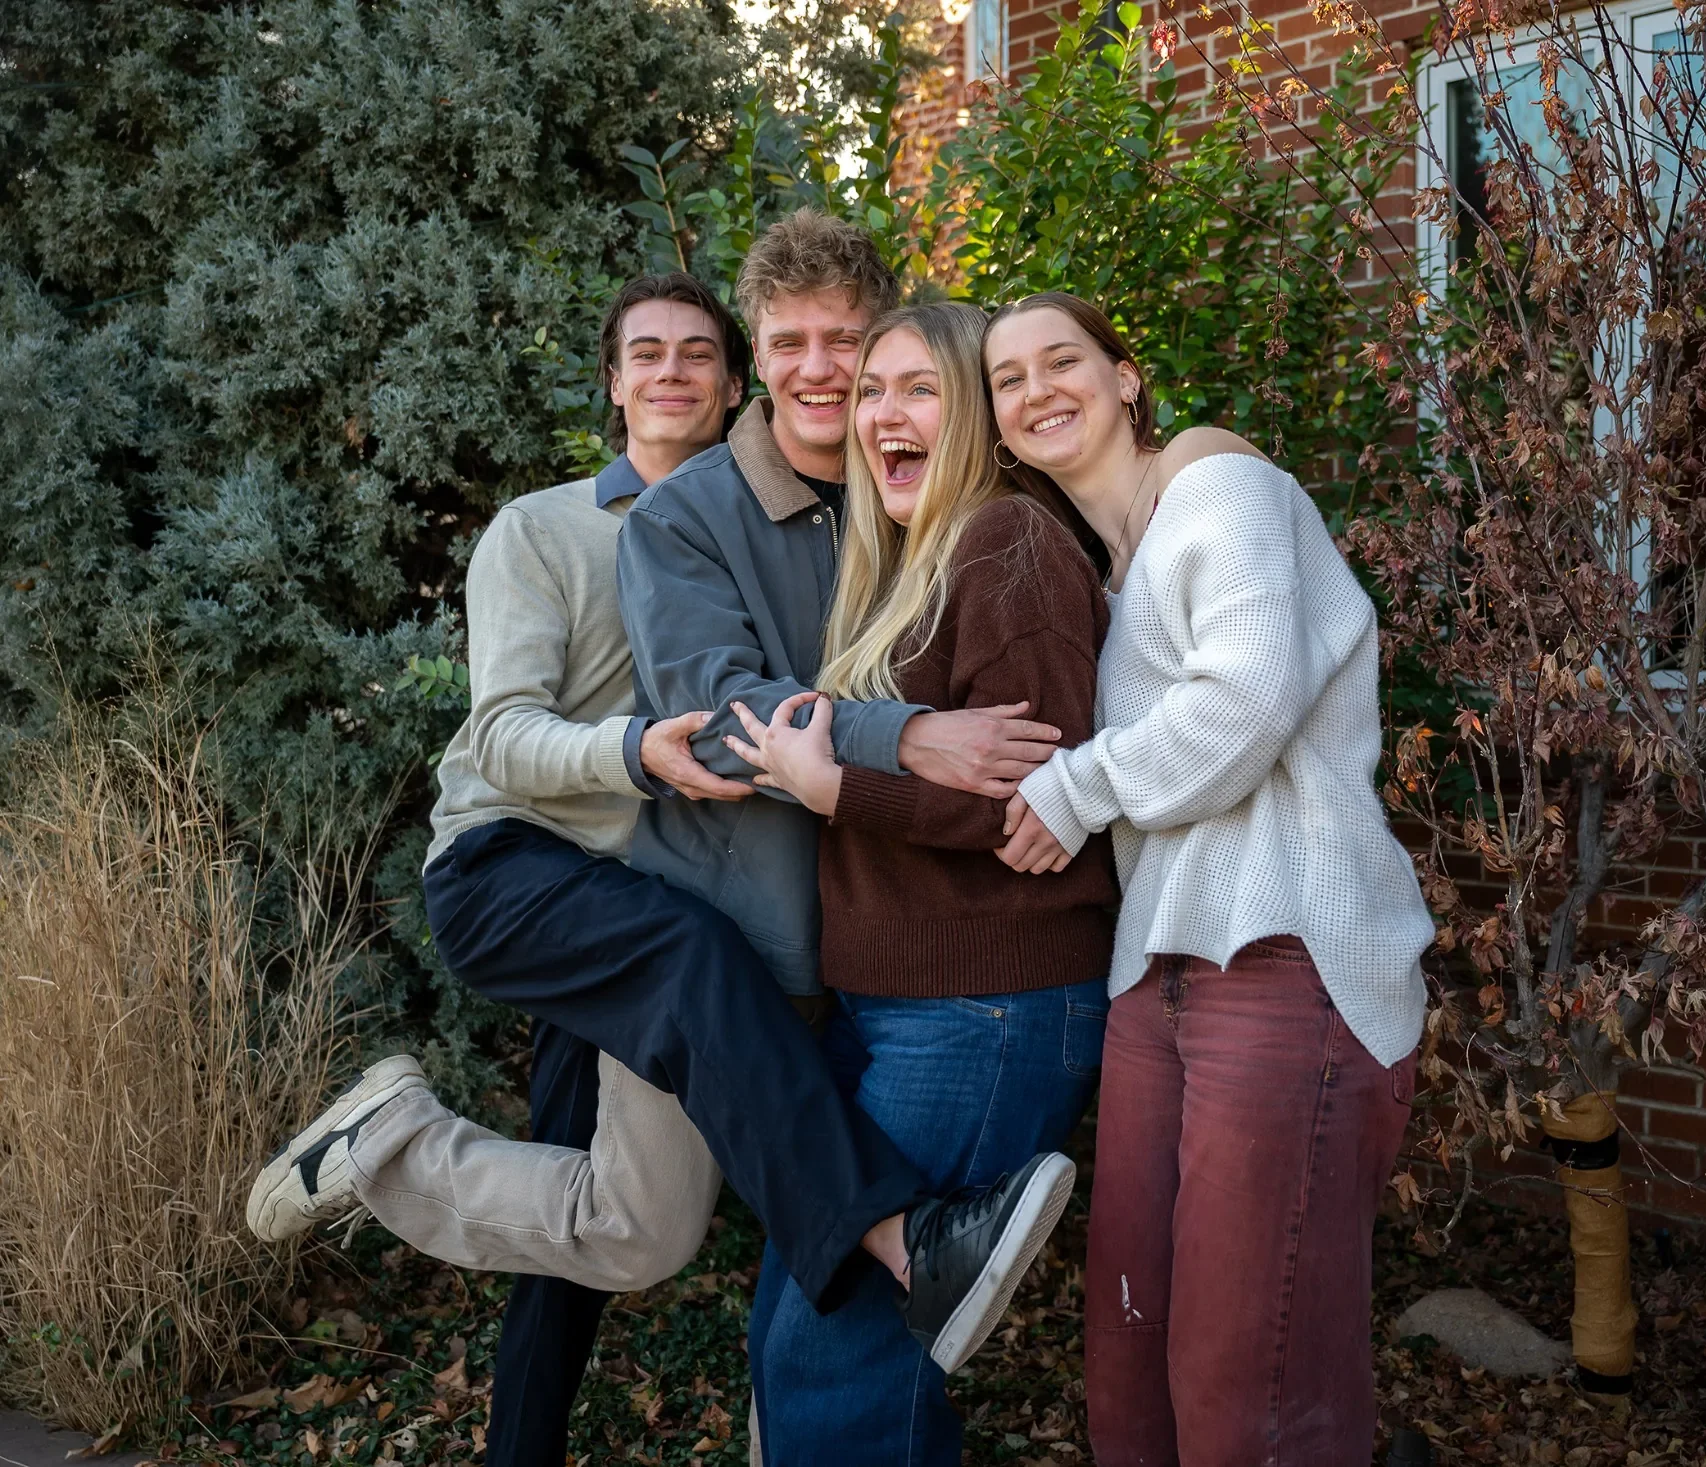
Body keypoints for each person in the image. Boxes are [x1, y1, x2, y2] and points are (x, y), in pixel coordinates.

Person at [248, 268, 1069, 1467]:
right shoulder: (555, 528)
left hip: (653, 885)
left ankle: (385, 1146)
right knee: (685, 979)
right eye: (647, 354)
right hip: (529, 864)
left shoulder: (846, 520)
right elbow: (498, 739)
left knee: (636, 1226)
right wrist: (635, 748)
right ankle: (898, 1240)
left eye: (699, 353)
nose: (674, 373)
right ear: (616, 380)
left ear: (729, 380)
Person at [983, 292, 1438, 1467]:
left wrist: (1072, 791)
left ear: (1127, 379)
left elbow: (1242, 701)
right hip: (1155, 980)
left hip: (1283, 959)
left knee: (1252, 1384)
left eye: (1062, 360)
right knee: (1128, 1359)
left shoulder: (1221, 488)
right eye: (1006, 378)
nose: (1036, 390)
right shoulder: (1104, 569)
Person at [723, 301, 1116, 1466]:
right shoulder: (905, 563)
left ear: (977, 421)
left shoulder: (1007, 545)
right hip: (899, 1007)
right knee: (807, 1328)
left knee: (837, 1354)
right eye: (872, 392)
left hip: (987, 1007)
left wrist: (837, 788)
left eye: (920, 390)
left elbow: (1033, 802)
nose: (884, 414)